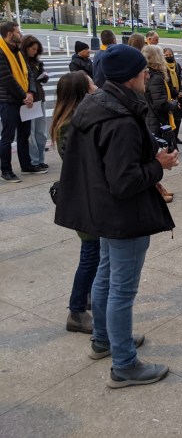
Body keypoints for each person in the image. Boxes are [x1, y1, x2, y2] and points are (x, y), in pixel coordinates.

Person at [54, 43, 178, 388]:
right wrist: (158, 165)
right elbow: (124, 181)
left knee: (106, 277)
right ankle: (124, 364)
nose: (147, 75)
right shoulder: (120, 119)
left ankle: (104, 340)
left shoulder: (95, 104)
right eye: (143, 71)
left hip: (103, 211)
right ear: (129, 77)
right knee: (121, 290)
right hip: (124, 216)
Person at [50, 71, 99, 334]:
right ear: (81, 91)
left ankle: (87, 296)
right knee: (90, 254)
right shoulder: (71, 124)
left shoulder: (75, 120)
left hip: (86, 197)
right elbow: (82, 161)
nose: (96, 86)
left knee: (93, 253)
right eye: (91, 83)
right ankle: (76, 311)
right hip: (85, 199)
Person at [0, 21, 43, 182]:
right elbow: (6, 79)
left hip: (24, 100)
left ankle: (26, 165)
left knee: (24, 135)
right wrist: (24, 96)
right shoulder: (1, 52)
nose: (20, 34)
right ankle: (6, 170)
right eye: (18, 32)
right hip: (9, 101)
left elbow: (29, 74)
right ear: (10, 34)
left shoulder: (18, 51)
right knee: (7, 137)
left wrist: (30, 92)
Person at [142, 45, 179, 204]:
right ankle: (156, 191)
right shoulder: (155, 77)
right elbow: (160, 103)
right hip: (156, 120)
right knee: (154, 159)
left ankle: (158, 188)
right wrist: (173, 104)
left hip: (151, 119)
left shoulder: (148, 75)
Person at [21, 35, 50, 170]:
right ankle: (34, 160)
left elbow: (42, 78)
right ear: (26, 48)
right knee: (30, 133)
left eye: (37, 49)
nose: (35, 52)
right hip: (28, 100)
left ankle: (40, 159)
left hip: (39, 97)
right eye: (33, 49)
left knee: (41, 132)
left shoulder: (37, 62)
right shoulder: (21, 61)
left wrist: (44, 76)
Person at [163, 47, 182, 144]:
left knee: (178, 118)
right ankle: (171, 138)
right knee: (170, 118)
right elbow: (166, 83)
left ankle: (176, 137)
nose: (169, 56)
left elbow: (181, 79)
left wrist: (181, 91)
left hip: (178, 95)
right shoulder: (163, 67)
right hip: (170, 95)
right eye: (166, 55)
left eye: (170, 55)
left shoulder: (177, 66)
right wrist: (176, 92)